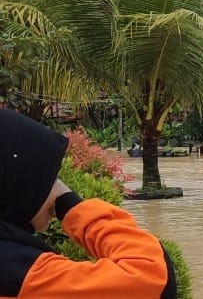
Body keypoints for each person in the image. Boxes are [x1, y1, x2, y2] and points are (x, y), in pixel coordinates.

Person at [0, 108, 178, 298]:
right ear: (19, 185)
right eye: (50, 177)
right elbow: (153, 277)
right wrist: (70, 203)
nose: (56, 184)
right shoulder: (22, 275)